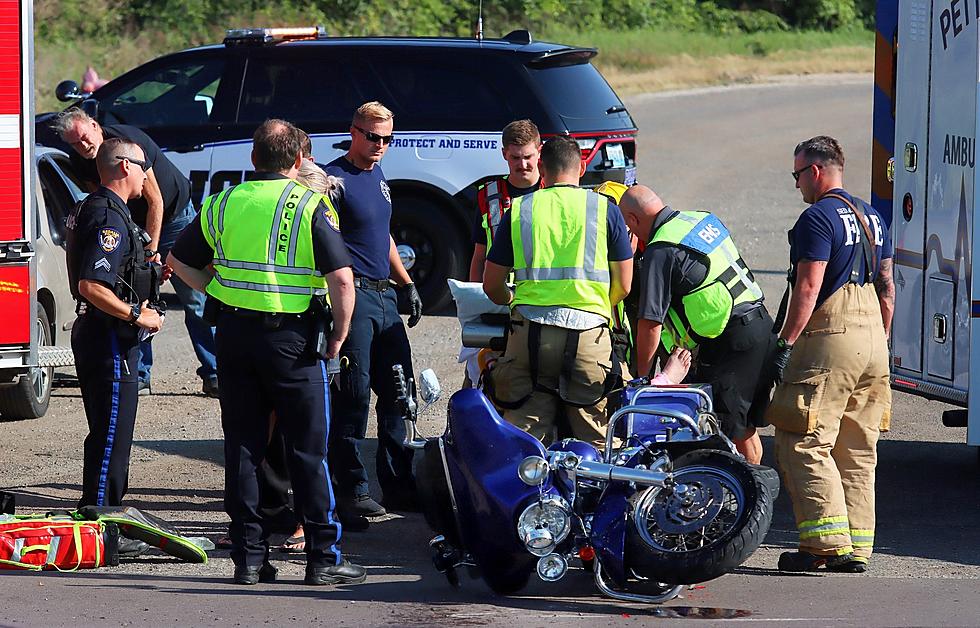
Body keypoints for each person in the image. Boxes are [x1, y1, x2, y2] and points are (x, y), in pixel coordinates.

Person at [168, 119, 365, 586]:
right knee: (308, 452)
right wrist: (338, 335)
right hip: (293, 344)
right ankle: (322, 559)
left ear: (253, 159)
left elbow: (177, 260)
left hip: (235, 337)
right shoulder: (308, 204)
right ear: (298, 161)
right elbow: (341, 279)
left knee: (243, 449)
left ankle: (249, 559)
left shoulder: (221, 202)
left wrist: (217, 291)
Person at [768, 136, 893, 574]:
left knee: (801, 436)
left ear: (816, 172)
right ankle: (858, 547)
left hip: (832, 334)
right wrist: (879, 341)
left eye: (798, 175)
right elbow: (887, 288)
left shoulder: (817, 218)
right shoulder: (873, 217)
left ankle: (824, 544)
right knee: (858, 447)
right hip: (874, 337)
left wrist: (784, 344)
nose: (797, 185)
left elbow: (808, 288)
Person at [54, 109, 218, 397]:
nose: (82, 147)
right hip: (130, 225)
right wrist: (131, 247)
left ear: (95, 126)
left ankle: (215, 372)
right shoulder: (80, 163)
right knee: (136, 294)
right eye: (74, 144)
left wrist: (152, 252)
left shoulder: (129, 142)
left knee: (194, 299)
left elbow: (156, 201)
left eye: (84, 138)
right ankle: (139, 374)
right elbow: (107, 202)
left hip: (173, 217)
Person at [482, 136, 634, 446]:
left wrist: (513, 301)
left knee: (523, 438)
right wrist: (597, 306)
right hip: (589, 335)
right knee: (596, 439)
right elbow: (624, 285)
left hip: (529, 335)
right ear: (581, 167)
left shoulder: (520, 210)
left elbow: (491, 284)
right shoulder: (604, 209)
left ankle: (528, 490)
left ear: (540, 166)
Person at [618, 185, 774, 465]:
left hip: (733, 343)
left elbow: (650, 323)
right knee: (745, 429)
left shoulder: (661, 248)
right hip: (761, 325)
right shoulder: (700, 218)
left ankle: (753, 498)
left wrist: (644, 380)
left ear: (632, 219)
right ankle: (752, 490)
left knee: (732, 433)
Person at [324, 102, 423, 522]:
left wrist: (406, 282)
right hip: (354, 296)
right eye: (372, 137)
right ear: (353, 132)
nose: (380, 145)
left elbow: (381, 235)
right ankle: (351, 491)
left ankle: (398, 486)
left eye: (387, 138)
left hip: (384, 296)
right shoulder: (334, 180)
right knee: (353, 395)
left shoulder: (377, 175)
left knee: (400, 393)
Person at [66, 137, 165, 507]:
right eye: (143, 167)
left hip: (102, 332)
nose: (146, 177)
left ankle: (102, 513)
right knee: (112, 438)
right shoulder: (109, 216)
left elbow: (113, 271)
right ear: (125, 167)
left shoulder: (98, 208)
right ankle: (102, 521)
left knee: (109, 434)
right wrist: (138, 314)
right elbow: (91, 284)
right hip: (108, 336)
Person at [468, 119, 542, 282]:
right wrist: (475, 295)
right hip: (500, 295)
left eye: (528, 157)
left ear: (539, 152)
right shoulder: (488, 195)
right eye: (515, 157)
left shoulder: (553, 191)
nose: (522, 164)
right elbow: (480, 256)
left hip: (542, 296)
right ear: (504, 154)